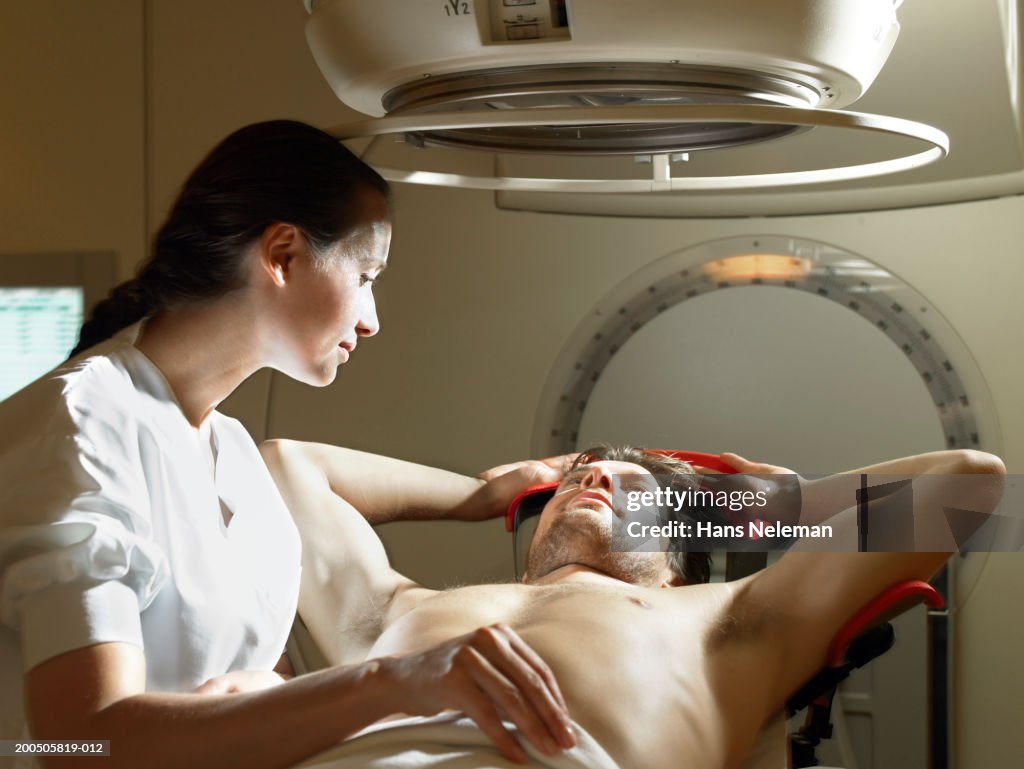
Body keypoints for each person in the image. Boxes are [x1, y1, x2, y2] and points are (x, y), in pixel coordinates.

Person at [0, 120, 578, 769]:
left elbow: (245, 703)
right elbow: (81, 743)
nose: (372, 319)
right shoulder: (84, 424)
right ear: (282, 254)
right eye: (366, 274)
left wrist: (487, 495)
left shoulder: (234, 454)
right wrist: (389, 682)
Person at [260, 440, 1006, 769]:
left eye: (632, 488)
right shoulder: (399, 609)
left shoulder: (731, 619)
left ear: (676, 560)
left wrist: (786, 505)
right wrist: (482, 494)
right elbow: (285, 466)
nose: (596, 481)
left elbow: (967, 484)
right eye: (577, 479)